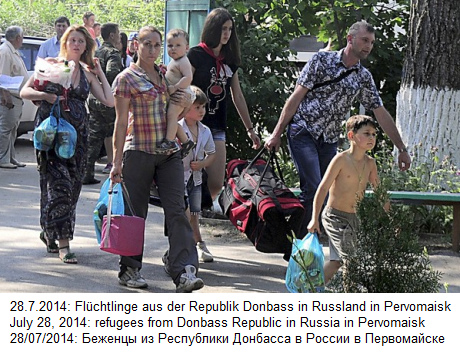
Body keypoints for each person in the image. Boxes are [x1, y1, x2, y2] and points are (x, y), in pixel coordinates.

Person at [265, 20, 411, 236]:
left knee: (326, 190)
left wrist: (401, 147)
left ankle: (305, 240)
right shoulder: (321, 60)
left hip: (329, 139)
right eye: (364, 40)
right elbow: (295, 98)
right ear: (350, 39)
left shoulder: (363, 77)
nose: (368, 46)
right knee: (314, 187)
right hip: (304, 130)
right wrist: (275, 135)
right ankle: (298, 242)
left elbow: (380, 113)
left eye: (371, 42)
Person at [110, 26, 204, 292]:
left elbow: (180, 104)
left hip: (168, 154)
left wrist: (185, 100)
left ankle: (184, 271)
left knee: (177, 211)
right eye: (147, 44)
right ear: (136, 45)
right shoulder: (126, 78)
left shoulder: (165, 76)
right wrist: (116, 162)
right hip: (138, 151)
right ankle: (129, 269)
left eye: (156, 45)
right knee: (135, 214)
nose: (152, 50)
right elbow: (119, 124)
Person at [20, 25, 114, 264]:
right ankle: (64, 244)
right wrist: (45, 96)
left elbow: (109, 100)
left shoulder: (86, 72)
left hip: (78, 137)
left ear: (86, 47)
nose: (76, 44)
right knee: (57, 185)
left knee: (72, 187)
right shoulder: (51, 64)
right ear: (65, 42)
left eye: (81, 41)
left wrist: (100, 71)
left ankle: (49, 230)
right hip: (51, 137)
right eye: (72, 40)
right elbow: (25, 91)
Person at [188, 7, 261, 203]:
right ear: (213, 29)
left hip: (217, 125)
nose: (227, 34)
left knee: (216, 182)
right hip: (192, 123)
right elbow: (184, 88)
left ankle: (200, 209)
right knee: (189, 175)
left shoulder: (230, 61)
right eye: (223, 29)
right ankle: (191, 215)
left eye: (229, 29)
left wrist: (250, 129)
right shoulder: (195, 54)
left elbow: (237, 95)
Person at [307, 115, 384, 285]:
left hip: (354, 218)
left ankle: (310, 289)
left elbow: (379, 191)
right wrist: (314, 218)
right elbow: (322, 188)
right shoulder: (340, 160)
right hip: (334, 217)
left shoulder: (370, 163)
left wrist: (389, 217)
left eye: (374, 134)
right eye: (367, 133)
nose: (372, 138)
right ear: (351, 136)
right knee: (350, 259)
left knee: (336, 263)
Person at [83, 22, 123, 185]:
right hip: (107, 98)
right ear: (112, 35)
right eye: (118, 33)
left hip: (94, 97)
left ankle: (86, 172)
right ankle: (116, 168)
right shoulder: (113, 53)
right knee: (115, 133)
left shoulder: (97, 51)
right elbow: (112, 74)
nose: (120, 37)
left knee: (93, 136)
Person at [179, 86, 216, 262]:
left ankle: (198, 244)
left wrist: (202, 164)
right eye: (197, 107)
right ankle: (183, 247)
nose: (202, 111)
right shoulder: (178, 127)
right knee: (183, 214)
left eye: (203, 107)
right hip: (179, 178)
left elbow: (212, 153)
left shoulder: (205, 131)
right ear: (186, 109)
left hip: (196, 179)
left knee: (194, 214)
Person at [157, 28, 195, 155]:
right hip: (176, 93)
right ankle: (186, 141)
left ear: (187, 47)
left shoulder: (184, 61)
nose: (173, 48)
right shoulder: (175, 61)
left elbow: (188, 77)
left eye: (178, 45)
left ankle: (169, 141)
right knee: (171, 119)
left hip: (181, 93)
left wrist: (176, 87)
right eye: (170, 45)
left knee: (171, 116)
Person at [0, 26, 28, 169]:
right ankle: (2, 159)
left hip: (17, 96)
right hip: (9, 97)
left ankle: (10, 157)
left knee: (12, 129)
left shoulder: (12, 51)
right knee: (5, 128)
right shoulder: (5, 51)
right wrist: (5, 96)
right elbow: (2, 77)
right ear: (18, 38)